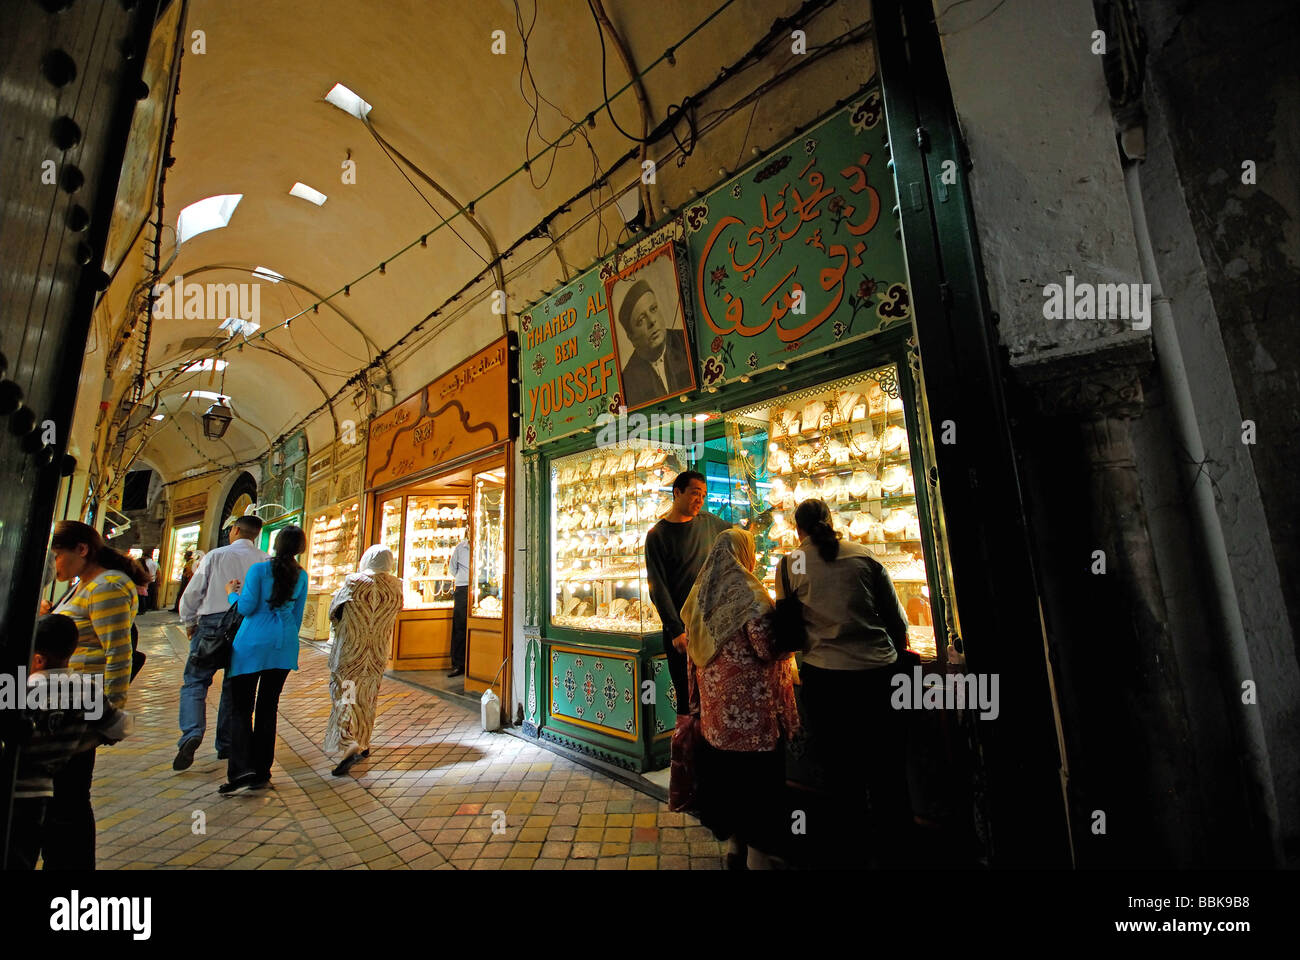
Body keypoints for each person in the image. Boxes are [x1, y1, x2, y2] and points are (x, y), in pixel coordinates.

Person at [777, 498, 913, 866]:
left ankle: (849, 848)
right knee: (888, 769)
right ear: (830, 520)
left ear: (797, 529)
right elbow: (895, 619)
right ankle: (897, 847)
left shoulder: (791, 563)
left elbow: (787, 629)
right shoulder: (864, 555)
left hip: (825, 680)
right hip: (878, 676)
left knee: (840, 771)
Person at [680, 528, 799, 870]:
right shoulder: (749, 594)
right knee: (758, 789)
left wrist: (697, 703)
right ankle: (758, 860)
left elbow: (692, 652)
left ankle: (735, 849)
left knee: (728, 784)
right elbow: (767, 648)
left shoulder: (701, 593)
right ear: (742, 553)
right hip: (752, 719)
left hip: (717, 719)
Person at [40, 520, 148, 870]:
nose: (55, 563)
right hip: (63, 704)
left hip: (81, 709)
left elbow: (118, 652)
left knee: (69, 799)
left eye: (58, 555)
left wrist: (109, 717)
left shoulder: (107, 586)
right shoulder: (82, 584)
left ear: (81, 550)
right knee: (61, 797)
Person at [7, 615, 132, 870]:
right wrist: (89, 736)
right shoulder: (87, 690)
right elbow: (121, 726)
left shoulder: (18, 691)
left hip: (14, 791)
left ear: (38, 659)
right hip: (43, 791)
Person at [219, 525, 308, 794]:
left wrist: (231, 592)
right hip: (283, 645)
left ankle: (241, 770)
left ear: (276, 544)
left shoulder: (258, 571)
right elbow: (297, 616)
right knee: (268, 708)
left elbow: (245, 607)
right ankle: (262, 771)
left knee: (242, 708)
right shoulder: (301, 575)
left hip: (251, 643)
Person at [174, 516, 267, 770]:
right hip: (246, 625)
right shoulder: (264, 560)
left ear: (235, 530)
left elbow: (194, 593)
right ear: (256, 535)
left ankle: (192, 732)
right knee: (232, 686)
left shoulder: (215, 556)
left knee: (195, 680)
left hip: (212, 624)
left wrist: (189, 621)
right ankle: (225, 744)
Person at [644, 470, 730, 715]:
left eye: (703, 495)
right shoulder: (657, 536)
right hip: (682, 632)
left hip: (712, 626)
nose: (699, 500)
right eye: (694, 493)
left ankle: (710, 748)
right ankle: (686, 750)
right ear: (677, 492)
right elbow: (657, 588)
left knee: (713, 695)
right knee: (686, 696)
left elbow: (740, 537)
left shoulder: (709, 523)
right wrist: (675, 629)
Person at [324, 545, 403, 776]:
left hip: (350, 655)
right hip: (377, 654)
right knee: (368, 698)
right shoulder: (396, 586)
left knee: (346, 697)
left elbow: (333, 611)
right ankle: (364, 741)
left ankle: (350, 743)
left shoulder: (354, 582)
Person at [616, 278, 692, 408]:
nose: (652, 321)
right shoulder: (629, 381)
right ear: (631, 337)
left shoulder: (687, 342)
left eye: (653, 309)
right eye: (641, 320)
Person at [448, 536, 470, 678]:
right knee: (460, 626)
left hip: (481, 585)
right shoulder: (460, 548)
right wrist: (463, 578)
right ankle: (458, 664)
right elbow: (452, 568)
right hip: (462, 588)